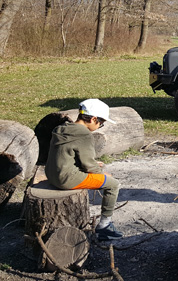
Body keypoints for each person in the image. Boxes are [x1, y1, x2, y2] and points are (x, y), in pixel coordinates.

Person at [45, 98, 123, 241]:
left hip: (52, 174)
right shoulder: (84, 135)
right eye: (101, 123)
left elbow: (68, 154)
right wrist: (102, 174)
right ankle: (104, 226)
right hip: (67, 179)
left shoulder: (61, 128)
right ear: (93, 119)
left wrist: (92, 164)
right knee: (113, 184)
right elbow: (89, 165)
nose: (100, 126)